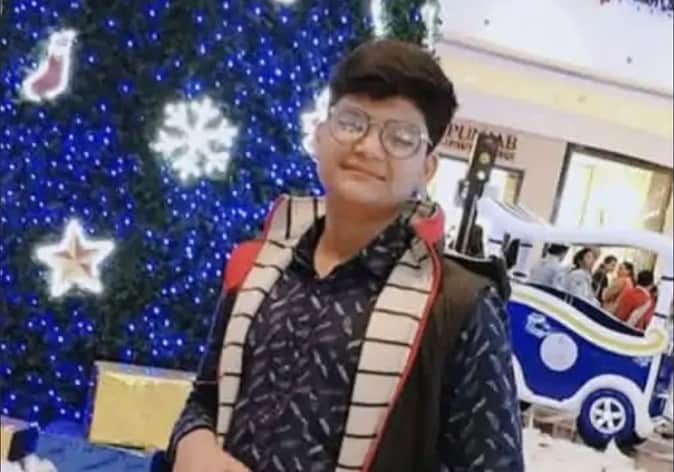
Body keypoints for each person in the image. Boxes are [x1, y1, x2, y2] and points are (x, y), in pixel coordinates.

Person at [167, 39, 523, 472]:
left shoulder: (460, 306)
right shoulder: (259, 267)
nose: (368, 147)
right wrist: (195, 447)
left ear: (426, 168)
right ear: (320, 135)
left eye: (401, 137)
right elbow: (205, 396)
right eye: (352, 122)